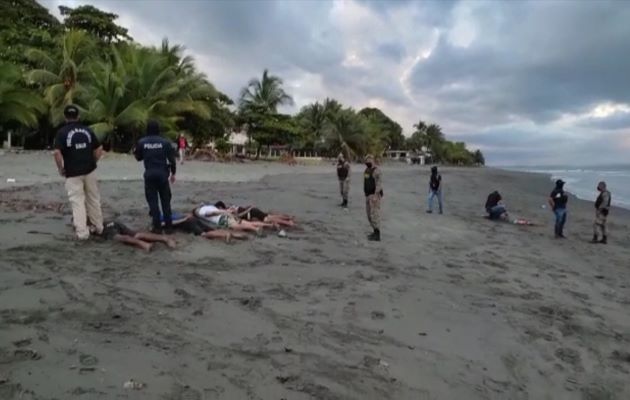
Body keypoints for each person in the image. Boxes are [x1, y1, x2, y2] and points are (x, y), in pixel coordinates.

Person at [53, 104, 104, 240]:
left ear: (65, 118)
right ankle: (98, 227)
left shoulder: (62, 132)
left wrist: (60, 168)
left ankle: (82, 233)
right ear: (78, 116)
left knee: (77, 202)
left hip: (73, 172)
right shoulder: (87, 130)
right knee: (93, 199)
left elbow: (57, 152)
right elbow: (99, 149)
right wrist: (93, 162)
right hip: (89, 170)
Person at [134, 120, 176, 234]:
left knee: (153, 202)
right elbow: (172, 160)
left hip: (149, 175)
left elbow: (138, 157)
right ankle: (168, 227)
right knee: (166, 201)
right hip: (163, 175)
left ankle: (157, 227)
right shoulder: (165, 143)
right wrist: (173, 173)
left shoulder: (142, 142)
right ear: (158, 130)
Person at [166, 212, 248, 243]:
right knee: (212, 230)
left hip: (188, 223)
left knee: (204, 234)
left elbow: (170, 223)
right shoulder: (171, 213)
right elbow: (186, 214)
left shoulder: (162, 218)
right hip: (193, 219)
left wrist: (183, 219)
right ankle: (235, 235)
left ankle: (224, 235)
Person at [99, 220, 176, 252]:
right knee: (137, 234)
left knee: (121, 238)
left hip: (105, 227)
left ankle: (144, 244)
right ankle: (164, 238)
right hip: (112, 222)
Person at [194, 203, 269, 235]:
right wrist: (227, 212)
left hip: (221, 219)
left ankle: (255, 229)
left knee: (236, 226)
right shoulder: (209, 206)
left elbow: (213, 213)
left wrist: (225, 212)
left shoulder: (201, 212)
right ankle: (269, 225)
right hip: (226, 215)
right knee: (244, 223)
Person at [219, 202, 296, 228]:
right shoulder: (233, 206)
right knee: (269, 216)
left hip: (252, 213)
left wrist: (248, 209)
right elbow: (242, 209)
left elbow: (240, 215)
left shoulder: (230, 210)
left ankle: (288, 223)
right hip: (253, 211)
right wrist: (249, 208)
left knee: (267, 219)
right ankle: (288, 218)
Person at [363, 154, 383, 241]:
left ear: (373, 160)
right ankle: (374, 231)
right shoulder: (366, 170)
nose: (368, 162)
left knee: (374, 214)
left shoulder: (377, 171)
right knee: (369, 215)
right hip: (368, 195)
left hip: (374, 196)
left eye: (369, 160)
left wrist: (375, 195)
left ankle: (377, 234)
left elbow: (379, 184)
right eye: (366, 160)